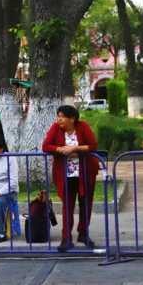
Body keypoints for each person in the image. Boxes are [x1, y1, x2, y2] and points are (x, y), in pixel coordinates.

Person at [42, 105, 100, 252]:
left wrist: (74, 148)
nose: (59, 119)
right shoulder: (56, 128)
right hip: (65, 173)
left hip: (85, 172)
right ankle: (66, 238)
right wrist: (60, 149)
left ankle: (83, 234)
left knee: (85, 204)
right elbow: (46, 146)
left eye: (62, 117)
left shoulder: (83, 126)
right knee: (67, 206)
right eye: (58, 116)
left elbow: (93, 145)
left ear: (72, 118)